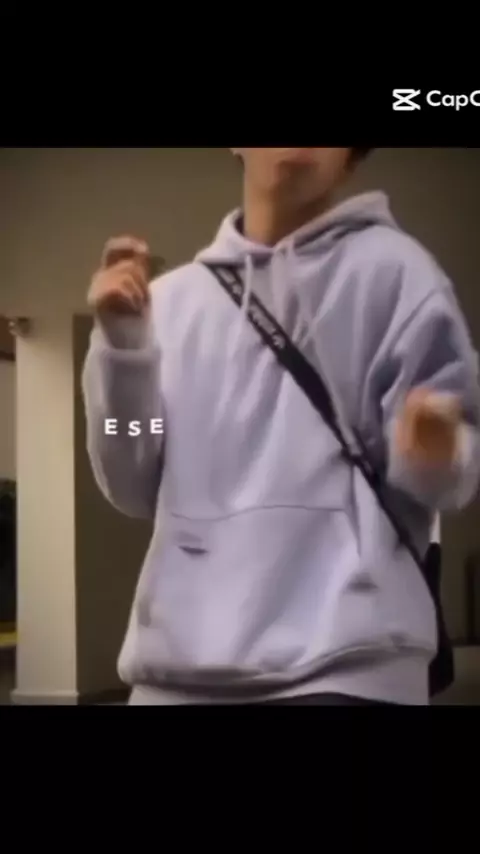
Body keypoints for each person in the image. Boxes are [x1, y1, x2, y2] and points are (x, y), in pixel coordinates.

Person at [83, 147, 480, 705]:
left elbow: (451, 474)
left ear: (351, 159)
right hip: (176, 670)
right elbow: (128, 475)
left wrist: (438, 453)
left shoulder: (398, 276)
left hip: (352, 661)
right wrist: (125, 352)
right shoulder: (170, 304)